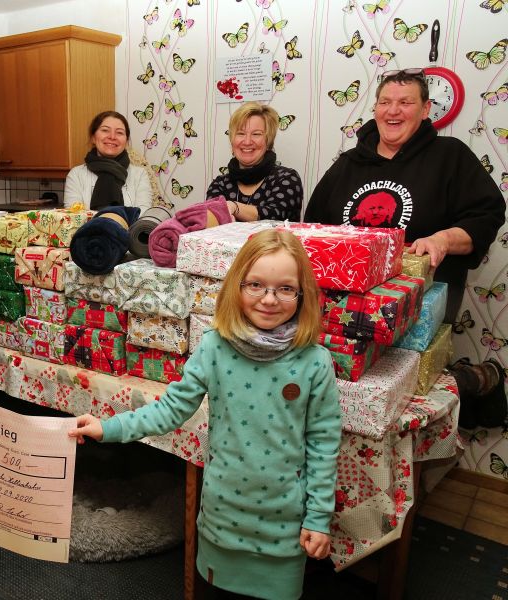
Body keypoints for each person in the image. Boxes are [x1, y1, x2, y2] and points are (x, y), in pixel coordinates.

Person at [70, 229, 342, 600]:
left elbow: (324, 445)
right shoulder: (215, 346)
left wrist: (318, 517)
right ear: (236, 286)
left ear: (302, 294)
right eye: (256, 285)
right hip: (222, 518)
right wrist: (109, 427)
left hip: (284, 526)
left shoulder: (315, 362)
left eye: (285, 289)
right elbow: (172, 408)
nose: (269, 299)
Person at [304, 68, 506, 429]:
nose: (393, 111)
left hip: (418, 305)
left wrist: (443, 239)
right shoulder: (348, 163)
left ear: (426, 109)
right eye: (385, 102)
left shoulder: (450, 155)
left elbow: (487, 213)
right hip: (343, 308)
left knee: (401, 402)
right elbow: (313, 225)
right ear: (375, 108)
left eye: (405, 102)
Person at [207, 102, 303, 223]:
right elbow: (211, 223)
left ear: (268, 141)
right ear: (232, 141)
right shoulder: (220, 184)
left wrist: (233, 207)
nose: (247, 141)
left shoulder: (287, 178)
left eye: (256, 134)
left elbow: (276, 216)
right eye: (241, 133)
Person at [64, 110, 153, 211]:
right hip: (88, 227)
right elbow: (74, 217)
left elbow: (142, 215)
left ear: (126, 141)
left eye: (119, 132)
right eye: (105, 130)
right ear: (93, 137)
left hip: (130, 227)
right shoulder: (76, 175)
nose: (112, 137)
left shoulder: (140, 175)